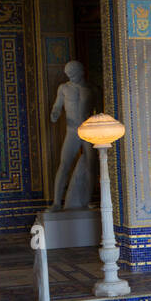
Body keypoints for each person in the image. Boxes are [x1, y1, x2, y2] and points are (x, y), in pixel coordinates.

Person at [48, 60, 97, 211]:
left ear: (81, 72)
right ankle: (57, 202)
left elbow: (100, 113)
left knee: (91, 165)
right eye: (68, 74)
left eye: (73, 74)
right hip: (72, 131)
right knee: (64, 165)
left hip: (88, 131)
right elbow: (57, 106)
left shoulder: (93, 89)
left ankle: (88, 200)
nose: (70, 77)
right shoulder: (64, 88)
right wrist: (55, 114)